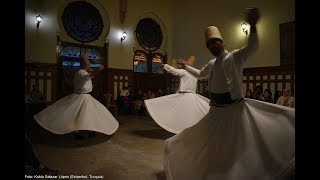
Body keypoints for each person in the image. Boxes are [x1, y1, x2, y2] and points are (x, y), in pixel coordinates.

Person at [165, 7, 295, 180]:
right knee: (201, 141)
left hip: (234, 111)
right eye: (209, 44)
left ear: (222, 42)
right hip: (216, 111)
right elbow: (200, 74)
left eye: (214, 42)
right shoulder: (212, 63)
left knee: (234, 149)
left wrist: (253, 25)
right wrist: (186, 66)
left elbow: (253, 46)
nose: (212, 46)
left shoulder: (235, 57)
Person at [34, 55, 119, 139]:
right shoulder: (81, 72)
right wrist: (98, 70)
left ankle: (90, 131)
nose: (89, 65)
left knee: (88, 115)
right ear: (84, 65)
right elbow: (88, 76)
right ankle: (80, 132)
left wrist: (92, 72)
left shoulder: (81, 72)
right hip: (82, 97)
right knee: (78, 115)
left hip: (85, 97)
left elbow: (87, 76)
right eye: (88, 64)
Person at [144, 56, 210, 134]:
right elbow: (202, 75)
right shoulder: (195, 72)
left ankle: (181, 128)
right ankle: (188, 129)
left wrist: (165, 65)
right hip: (192, 96)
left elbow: (174, 71)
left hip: (185, 95)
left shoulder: (185, 71)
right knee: (190, 114)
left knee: (178, 111)